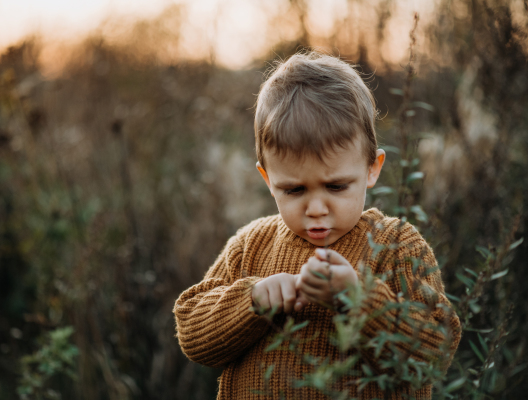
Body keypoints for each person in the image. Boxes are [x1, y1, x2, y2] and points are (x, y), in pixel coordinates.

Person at [173, 52, 460, 399]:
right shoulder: (252, 244)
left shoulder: (397, 246)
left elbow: (435, 351)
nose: (317, 209)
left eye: (336, 186)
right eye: (294, 190)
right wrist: (253, 300)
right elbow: (192, 333)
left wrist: (360, 299)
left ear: (372, 168)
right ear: (267, 179)